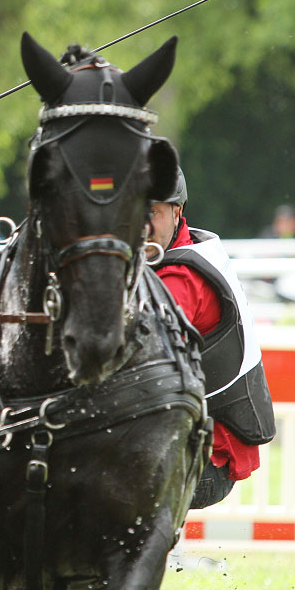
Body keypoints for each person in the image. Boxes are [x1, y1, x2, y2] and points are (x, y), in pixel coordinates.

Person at [148, 167, 276, 508]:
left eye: (152, 213)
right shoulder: (182, 247)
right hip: (187, 443)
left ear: (177, 212)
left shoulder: (181, 280)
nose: (140, 227)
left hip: (207, 463)